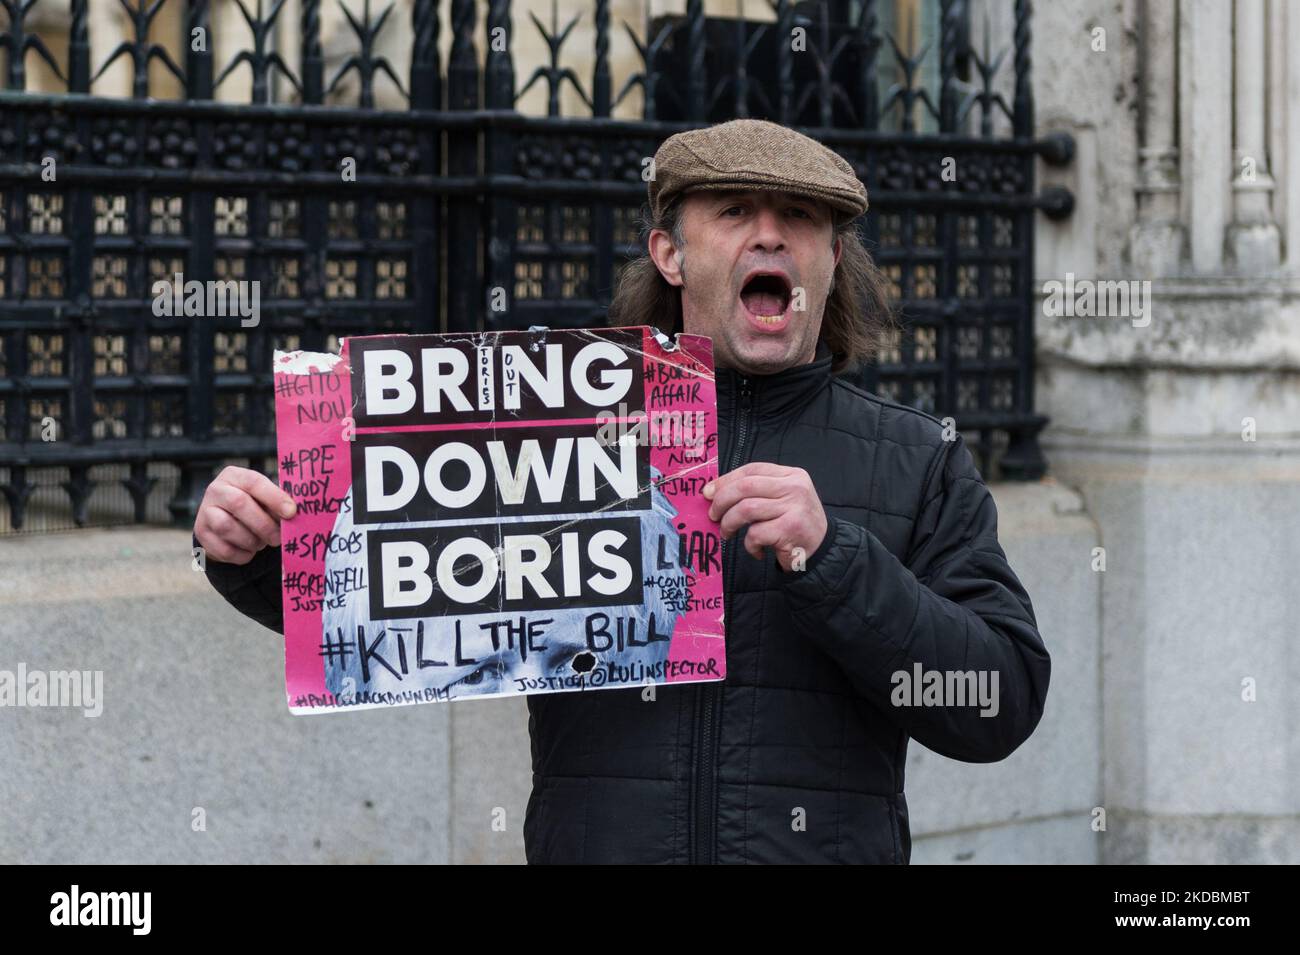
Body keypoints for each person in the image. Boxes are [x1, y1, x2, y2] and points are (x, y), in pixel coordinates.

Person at [194, 118, 1050, 864]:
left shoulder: (916, 457)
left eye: (800, 218)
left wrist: (837, 560)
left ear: (832, 257)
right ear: (670, 254)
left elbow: (996, 699)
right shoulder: (550, 424)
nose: (770, 237)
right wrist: (250, 551)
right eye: (734, 213)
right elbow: (400, 594)